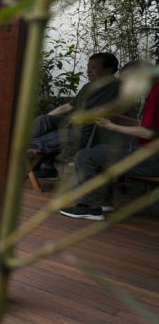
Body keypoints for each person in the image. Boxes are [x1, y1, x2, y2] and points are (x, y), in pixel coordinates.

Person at [60, 66, 159, 221]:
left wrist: (113, 126)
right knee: (101, 150)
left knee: (86, 156)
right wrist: (122, 119)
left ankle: (89, 207)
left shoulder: (156, 94)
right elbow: (150, 125)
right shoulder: (155, 90)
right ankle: (102, 201)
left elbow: (149, 133)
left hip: (153, 157)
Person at [29, 52, 120, 179]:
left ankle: (29, 147)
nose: (88, 71)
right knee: (43, 120)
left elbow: (113, 113)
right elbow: (68, 106)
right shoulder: (88, 86)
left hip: (91, 127)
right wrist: (48, 118)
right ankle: (22, 141)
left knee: (63, 131)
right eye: (88, 67)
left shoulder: (117, 87)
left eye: (93, 67)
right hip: (73, 121)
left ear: (108, 69)